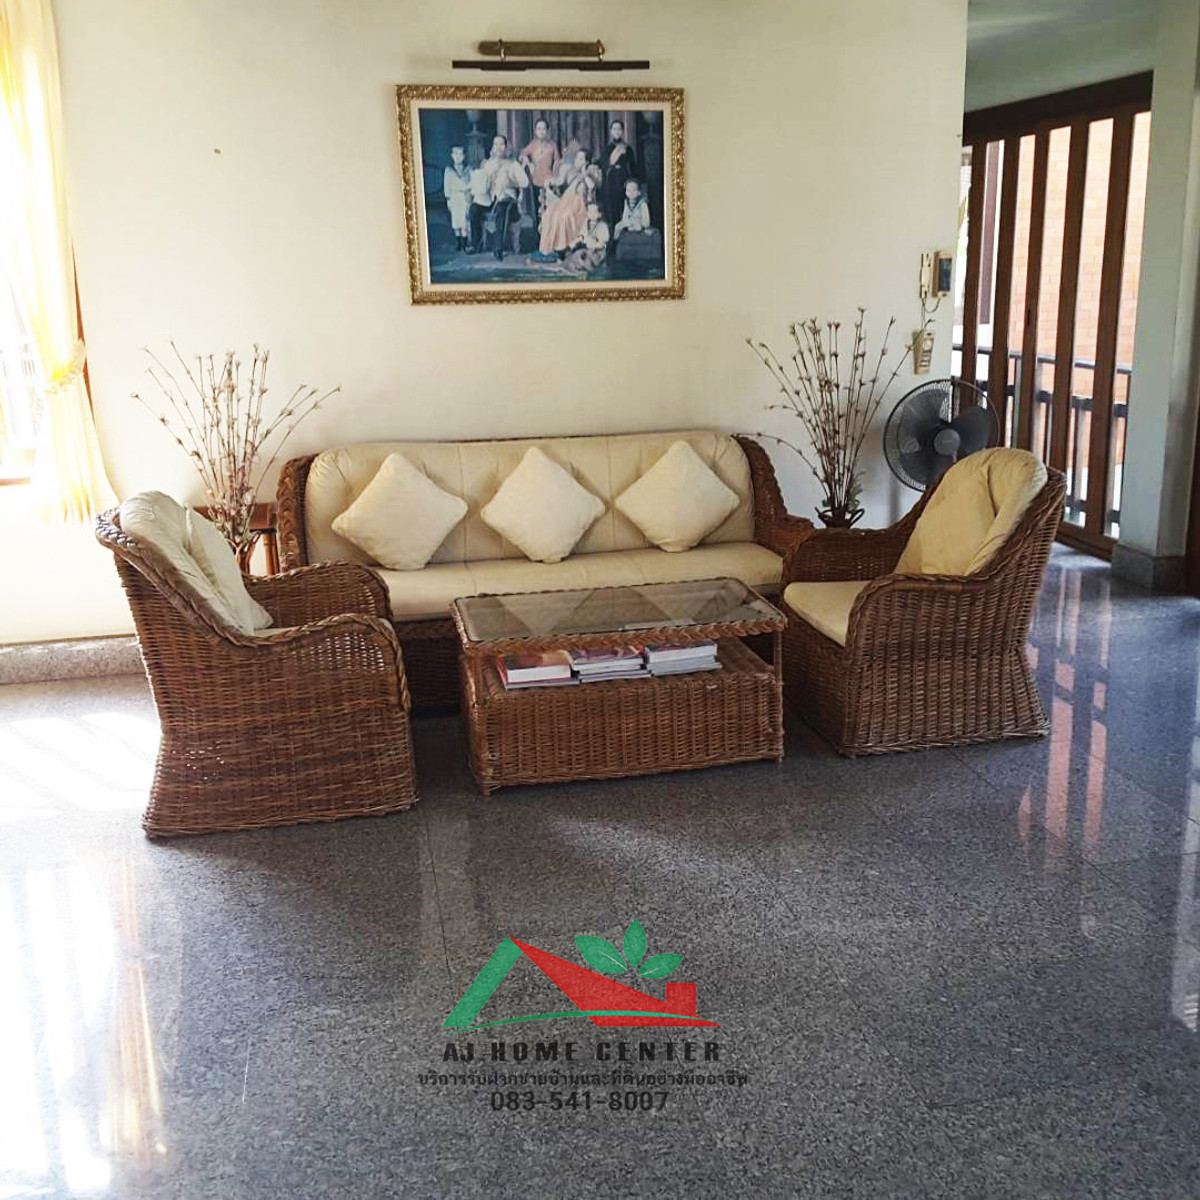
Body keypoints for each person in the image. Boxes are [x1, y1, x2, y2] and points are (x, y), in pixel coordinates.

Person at [466, 134, 530, 259]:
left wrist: (510, 180)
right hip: (490, 200)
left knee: (502, 208)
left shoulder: (513, 164)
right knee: (474, 209)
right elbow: (480, 182)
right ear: (493, 147)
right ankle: (475, 244)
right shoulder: (488, 164)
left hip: (507, 200)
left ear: (506, 147)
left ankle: (498, 247)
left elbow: (525, 182)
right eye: (496, 144)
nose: (498, 147)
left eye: (501, 144)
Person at [532, 149, 601, 259]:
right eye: (577, 158)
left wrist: (584, 174)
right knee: (549, 215)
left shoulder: (591, 172)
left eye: (581, 158)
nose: (577, 160)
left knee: (564, 217)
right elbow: (560, 181)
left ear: (586, 161)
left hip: (579, 204)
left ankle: (561, 247)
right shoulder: (571, 172)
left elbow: (592, 186)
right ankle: (547, 249)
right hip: (567, 200)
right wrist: (550, 181)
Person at [518, 118, 560, 223]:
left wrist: (555, 177)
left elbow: (557, 161)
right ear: (535, 131)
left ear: (547, 131)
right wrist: (529, 163)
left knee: (549, 208)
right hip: (535, 180)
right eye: (538, 129)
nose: (541, 131)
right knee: (537, 209)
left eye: (543, 129)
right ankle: (538, 230)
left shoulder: (552, 145)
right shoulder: (532, 145)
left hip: (549, 180)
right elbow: (521, 155)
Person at [599, 119, 638, 229]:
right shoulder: (607, 149)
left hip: (624, 179)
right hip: (610, 181)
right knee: (611, 208)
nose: (617, 131)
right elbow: (604, 165)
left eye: (619, 129)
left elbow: (633, 167)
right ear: (611, 131)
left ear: (622, 131)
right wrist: (616, 154)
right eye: (614, 129)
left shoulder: (628, 148)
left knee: (624, 205)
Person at [562, 202, 610, 274]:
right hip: (585, 251)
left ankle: (583, 270)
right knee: (573, 254)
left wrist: (590, 242)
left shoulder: (602, 226)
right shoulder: (584, 225)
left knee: (580, 255)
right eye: (590, 211)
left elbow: (601, 244)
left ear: (599, 214)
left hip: (596, 253)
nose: (592, 214)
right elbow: (580, 237)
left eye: (595, 212)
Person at [442, 146, 472, 252]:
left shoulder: (468, 169)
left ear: (464, 156)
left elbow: (472, 182)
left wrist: (470, 195)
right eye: (456, 154)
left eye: (460, 154)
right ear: (452, 156)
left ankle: (465, 242)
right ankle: (458, 242)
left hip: (465, 196)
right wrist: (448, 199)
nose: (458, 157)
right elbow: (447, 185)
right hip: (454, 197)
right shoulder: (449, 170)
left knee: (465, 221)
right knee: (456, 220)